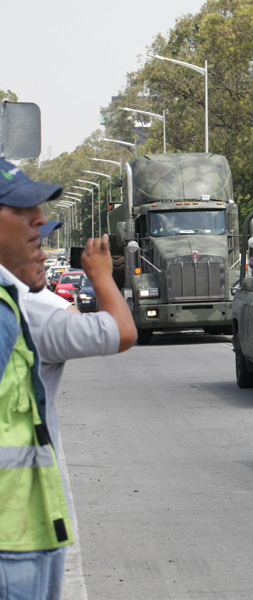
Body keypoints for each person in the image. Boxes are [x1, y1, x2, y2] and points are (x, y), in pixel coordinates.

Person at [0, 158, 70, 599]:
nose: (40, 222)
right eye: (23, 211)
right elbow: (118, 333)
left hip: (30, 529)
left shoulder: (10, 303)